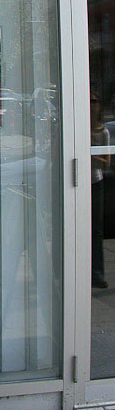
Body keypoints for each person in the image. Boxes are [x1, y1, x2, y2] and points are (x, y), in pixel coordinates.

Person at [91, 91, 110, 288]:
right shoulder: (79, 128)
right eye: (88, 101)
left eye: (94, 101)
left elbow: (106, 163)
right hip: (77, 181)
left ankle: (97, 274)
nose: (91, 105)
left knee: (96, 230)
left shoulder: (103, 132)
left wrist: (92, 158)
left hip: (95, 182)